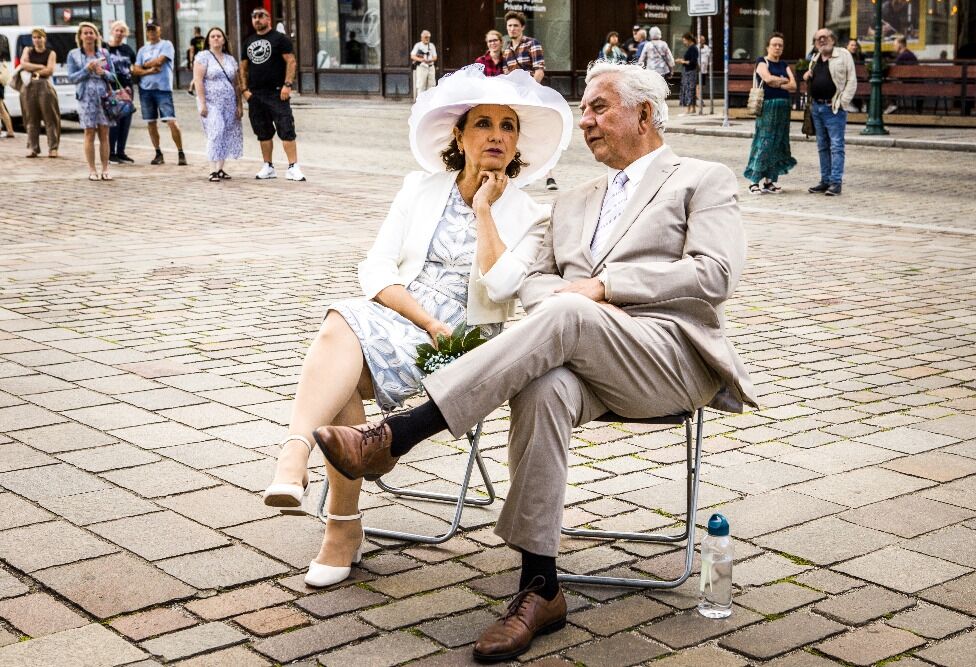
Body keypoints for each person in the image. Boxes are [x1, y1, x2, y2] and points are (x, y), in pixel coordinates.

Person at [312, 60, 756, 663]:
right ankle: (540, 586)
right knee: (543, 382)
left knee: (568, 313)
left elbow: (715, 273)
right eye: (584, 109)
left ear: (644, 114)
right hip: (585, 353)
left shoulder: (701, 178)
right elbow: (529, 283)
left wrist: (603, 289)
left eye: (598, 107)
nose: (585, 120)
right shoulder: (572, 200)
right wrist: (550, 279)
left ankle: (400, 433)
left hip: (668, 356)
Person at [261, 67, 572, 594]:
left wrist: (484, 211)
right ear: (459, 135)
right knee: (342, 325)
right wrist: (423, 319)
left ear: (517, 143)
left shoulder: (532, 215)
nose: (496, 135)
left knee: (342, 356)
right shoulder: (419, 188)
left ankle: (323, 497)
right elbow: (376, 267)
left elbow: (501, 286)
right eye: (483, 124)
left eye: (508, 126)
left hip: (468, 338)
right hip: (405, 313)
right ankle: (314, 482)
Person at [239, 7, 305, 182]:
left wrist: (287, 85)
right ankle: (268, 166)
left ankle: (293, 167)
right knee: (263, 132)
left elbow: (291, 61)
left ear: (268, 19)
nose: (257, 19)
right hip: (256, 95)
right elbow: (243, 67)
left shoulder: (280, 39)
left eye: (261, 16)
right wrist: (244, 91)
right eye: (254, 16)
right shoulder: (248, 42)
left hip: (277, 93)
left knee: (286, 128)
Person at [501, 10, 558, 191]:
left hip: (532, 96)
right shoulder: (506, 49)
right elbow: (507, 76)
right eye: (509, 26)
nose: (512, 28)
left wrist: (530, 91)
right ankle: (523, 176)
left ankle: (550, 177)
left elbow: (539, 70)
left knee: (541, 135)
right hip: (516, 98)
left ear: (522, 27)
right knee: (519, 136)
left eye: (515, 26)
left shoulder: (532, 44)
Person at [803, 28, 857, 197]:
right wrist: (807, 76)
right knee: (822, 146)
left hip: (833, 108)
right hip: (817, 107)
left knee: (836, 146)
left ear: (833, 39)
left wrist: (843, 103)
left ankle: (835, 182)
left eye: (825, 37)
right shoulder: (815, 58)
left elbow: (851, 80)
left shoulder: (843, 55)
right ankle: (825, 180)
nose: (821, 40)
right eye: (818, 38)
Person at [743, 33, 798, 195]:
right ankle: (754, 181)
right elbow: (767, 79)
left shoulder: (784, 64)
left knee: (778, 143)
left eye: (780, 45)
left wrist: (778, 82)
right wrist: (783, 80)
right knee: (764, 142)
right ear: (768, 46)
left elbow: (794, 86)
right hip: (768, 106)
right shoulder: (762, 61)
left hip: (783, 108)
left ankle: (769, 181)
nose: (777, 47)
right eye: (774, 45)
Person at [66, 22, 116, 181]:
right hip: (85, 98)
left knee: (104, 133)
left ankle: (105, 169)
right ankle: (92, 170)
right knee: (89, 133)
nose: (88, 35)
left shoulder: (104, 53)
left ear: (96, 36)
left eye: (91, 32)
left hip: (103, 97)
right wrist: (86, 70)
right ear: (80, 36)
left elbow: (114, 77)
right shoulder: (73, 54)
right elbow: (71, 78)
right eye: (85, 33)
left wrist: (103, 73)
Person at [193, 26, 242, 182]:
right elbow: (198, 81)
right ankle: (212, 169)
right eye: (212, 36)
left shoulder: (230, 59)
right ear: (208, 40)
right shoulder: (203, 57)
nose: (216, 38)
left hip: (229, 102)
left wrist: (239, 105)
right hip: (211, 102)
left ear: (224, 40)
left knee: (226, 132)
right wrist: (202, 103)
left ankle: (220, 168)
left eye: (219, 36)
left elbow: (236, 84)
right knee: (216, 130)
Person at [134, 21, 186, 166]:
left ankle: (180, 152)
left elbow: (160, 61)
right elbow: (135, 70)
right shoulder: (142, 50)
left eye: (154, 30)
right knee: (151, 123)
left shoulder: (166, 45)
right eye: (149, 30)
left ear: (159, 30)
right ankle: (158, 153)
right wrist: (149, 70)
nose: (151, 33)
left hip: (163, 89)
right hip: (145, 90)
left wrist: (144, 65)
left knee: (171, 121)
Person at [19, 28, 61, 158]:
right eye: (34, 37)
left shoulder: (51, 53)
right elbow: (23, 64)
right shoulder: (28, 50)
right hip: (28, 86)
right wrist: (40, 67)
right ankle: (33, 148)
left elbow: (50, 70)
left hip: (44, 86)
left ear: (44, 38)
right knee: (31, 118)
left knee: (50, 118)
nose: (37, 40)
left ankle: (53, 148)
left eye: (39, 37)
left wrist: (34, 70)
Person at [106, 21, 136, 164]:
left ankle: (121, 151)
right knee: (114, 120)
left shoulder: (127, 49)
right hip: (112, 89)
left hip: (128, 89)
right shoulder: (105, 48)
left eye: (122, 31)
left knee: (126, 121)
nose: (119, 33)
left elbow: (134, 66)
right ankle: (111, 153)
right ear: (112, 31)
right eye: (117, 30)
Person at [675, 32, 699, 115]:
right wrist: (683, 61)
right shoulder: (692, 48)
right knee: (690, 89)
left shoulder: (693, 48)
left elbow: (693, 61)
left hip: (690, 71)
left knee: (689, 89)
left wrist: (682, 61)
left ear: (689, 40)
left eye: (684, 40)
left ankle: (689, 109)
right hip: (689, 71)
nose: (684, 42)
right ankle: (692, 109)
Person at [411, 30, 438, 97]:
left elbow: (435, 57)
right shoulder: (418, 45)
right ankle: (420, 101)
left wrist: (430, 60)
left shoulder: (431, 45)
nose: (427, 39)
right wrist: (421, 60)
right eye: (425, 37)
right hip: (422, 67)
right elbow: (412, 56)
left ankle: (429, 100)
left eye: (428, 37)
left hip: (430, 67)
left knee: (431, 85)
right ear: (422, 37)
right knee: (421, 85)